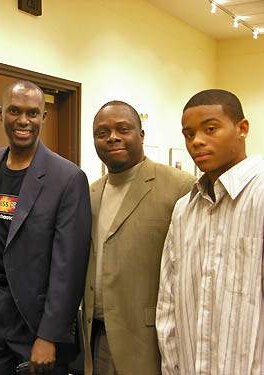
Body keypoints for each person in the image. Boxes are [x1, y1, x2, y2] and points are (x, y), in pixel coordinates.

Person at [0, 81, 91, 375]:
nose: (23, 121)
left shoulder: (68, 178)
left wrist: (49, 335)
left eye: (32, 113)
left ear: (43, 117)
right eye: (14, 111)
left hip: (35, 320)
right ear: (1, 114)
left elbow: (69, 267)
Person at [81, 101, 195, 375]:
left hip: (149, 340)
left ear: (141, 135)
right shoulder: (89, 193)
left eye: (123, 129)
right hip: (94, 338)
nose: (113, 137)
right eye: (102, 132)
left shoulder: (180, 187)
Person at [156, 89, 264, 374]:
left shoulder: (260, 194)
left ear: (242, 128)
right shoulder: (184, 209)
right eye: (188, 134)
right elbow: (168, 300)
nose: (197, 141)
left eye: (210, 129)